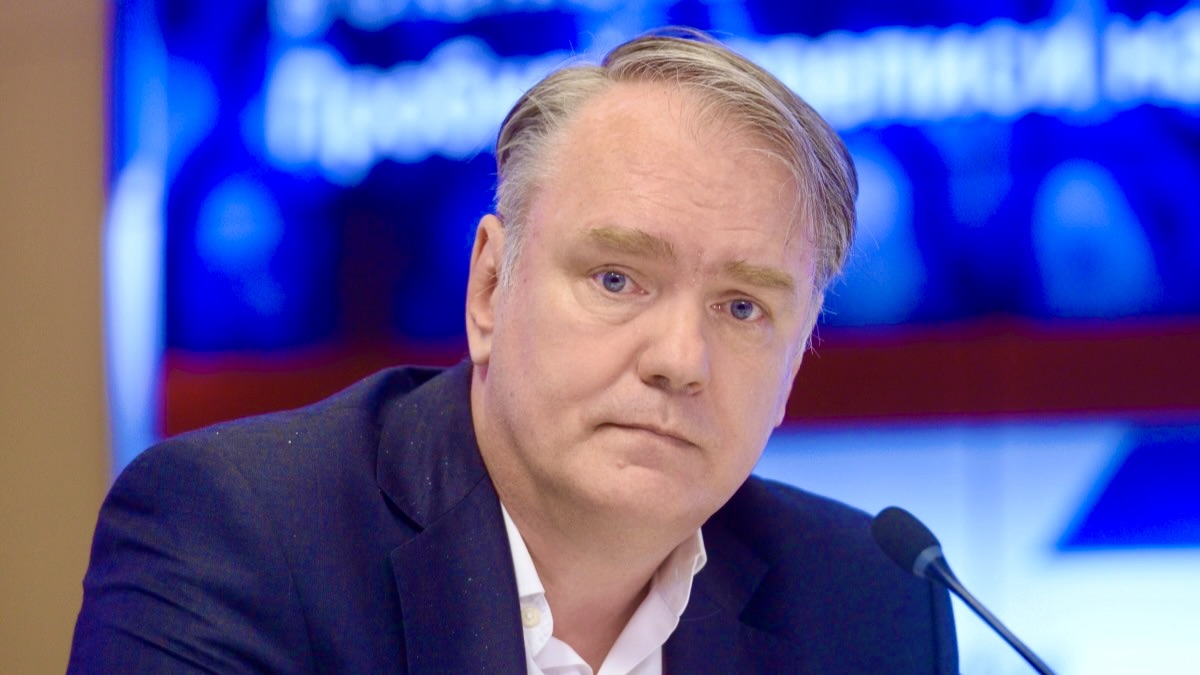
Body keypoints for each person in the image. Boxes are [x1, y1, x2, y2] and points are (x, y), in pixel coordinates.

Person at [70, 30, 957, 674]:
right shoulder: (236, 536)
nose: (681, 358)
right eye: (617, 278)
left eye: (742, 306)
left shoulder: (871, 601)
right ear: (491, 288)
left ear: (796, 359)